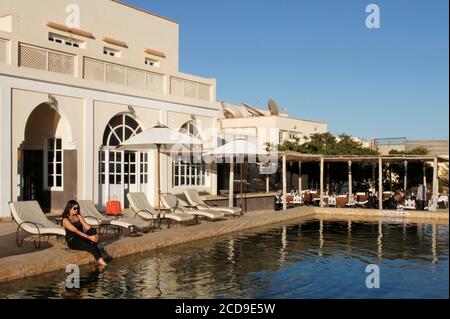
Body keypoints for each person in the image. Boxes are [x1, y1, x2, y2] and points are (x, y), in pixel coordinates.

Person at [62, 200, 108, 266]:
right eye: (74, 208)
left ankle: (93, 245)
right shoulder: (65, 220)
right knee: (92, 247)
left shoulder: (78, 216)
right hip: (73, 241)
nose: (77, 210)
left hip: (81, 237)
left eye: (77, 208)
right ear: (69, 208)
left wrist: (96, 235)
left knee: (93, 229)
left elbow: (86, 225)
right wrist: (89, 237)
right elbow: (76, 231)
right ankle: (103, 264)